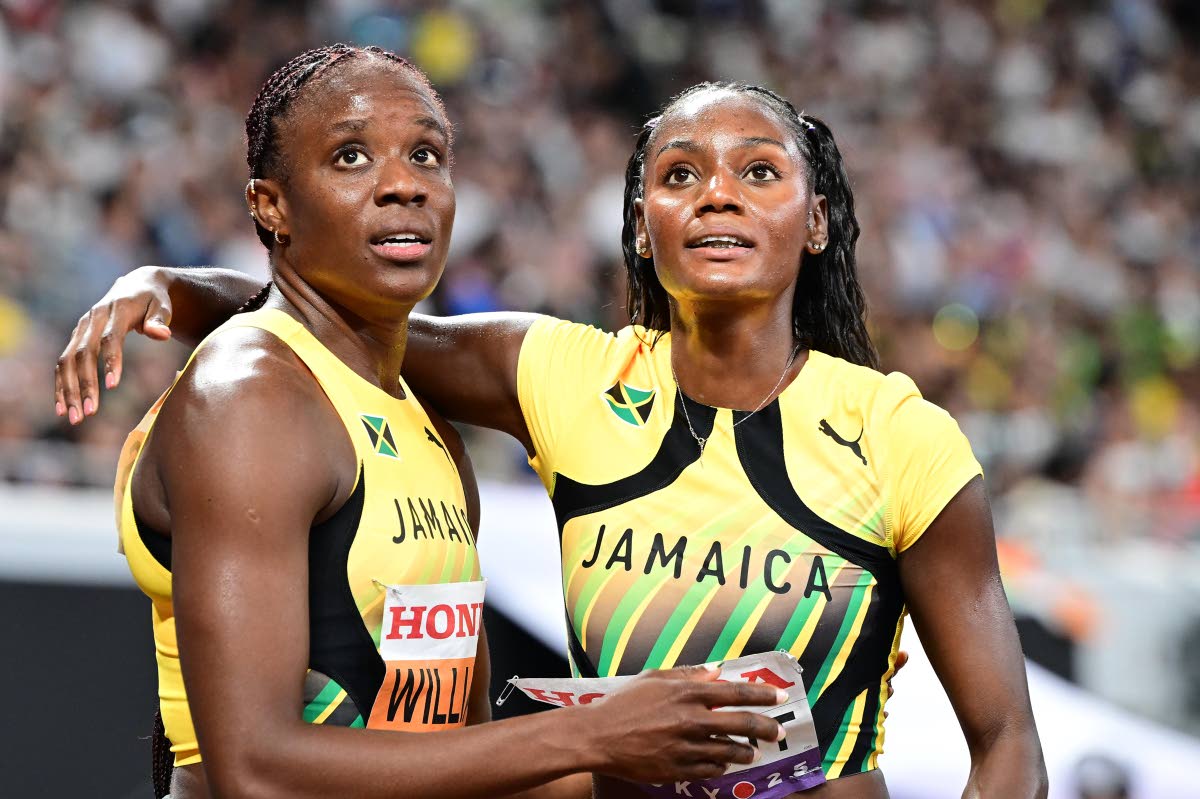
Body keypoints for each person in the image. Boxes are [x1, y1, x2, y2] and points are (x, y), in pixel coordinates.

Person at [57, 80, 1047, 797]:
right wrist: (164, 287)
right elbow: (330, 312)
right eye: (680, 174)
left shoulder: (904, 435)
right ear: (642, 224)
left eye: (759, 172)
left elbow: (1008, 746)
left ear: (818, 219)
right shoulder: (567, 378)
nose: (717, 195)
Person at [84, 47, 791, 799]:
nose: (403, 185)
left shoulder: (427, 425)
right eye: (351, 157)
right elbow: (255, 771)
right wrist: (589, 734)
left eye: (427, 154)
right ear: (271, 206)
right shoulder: (248, 395)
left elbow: (456, 762)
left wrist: (682, 739)